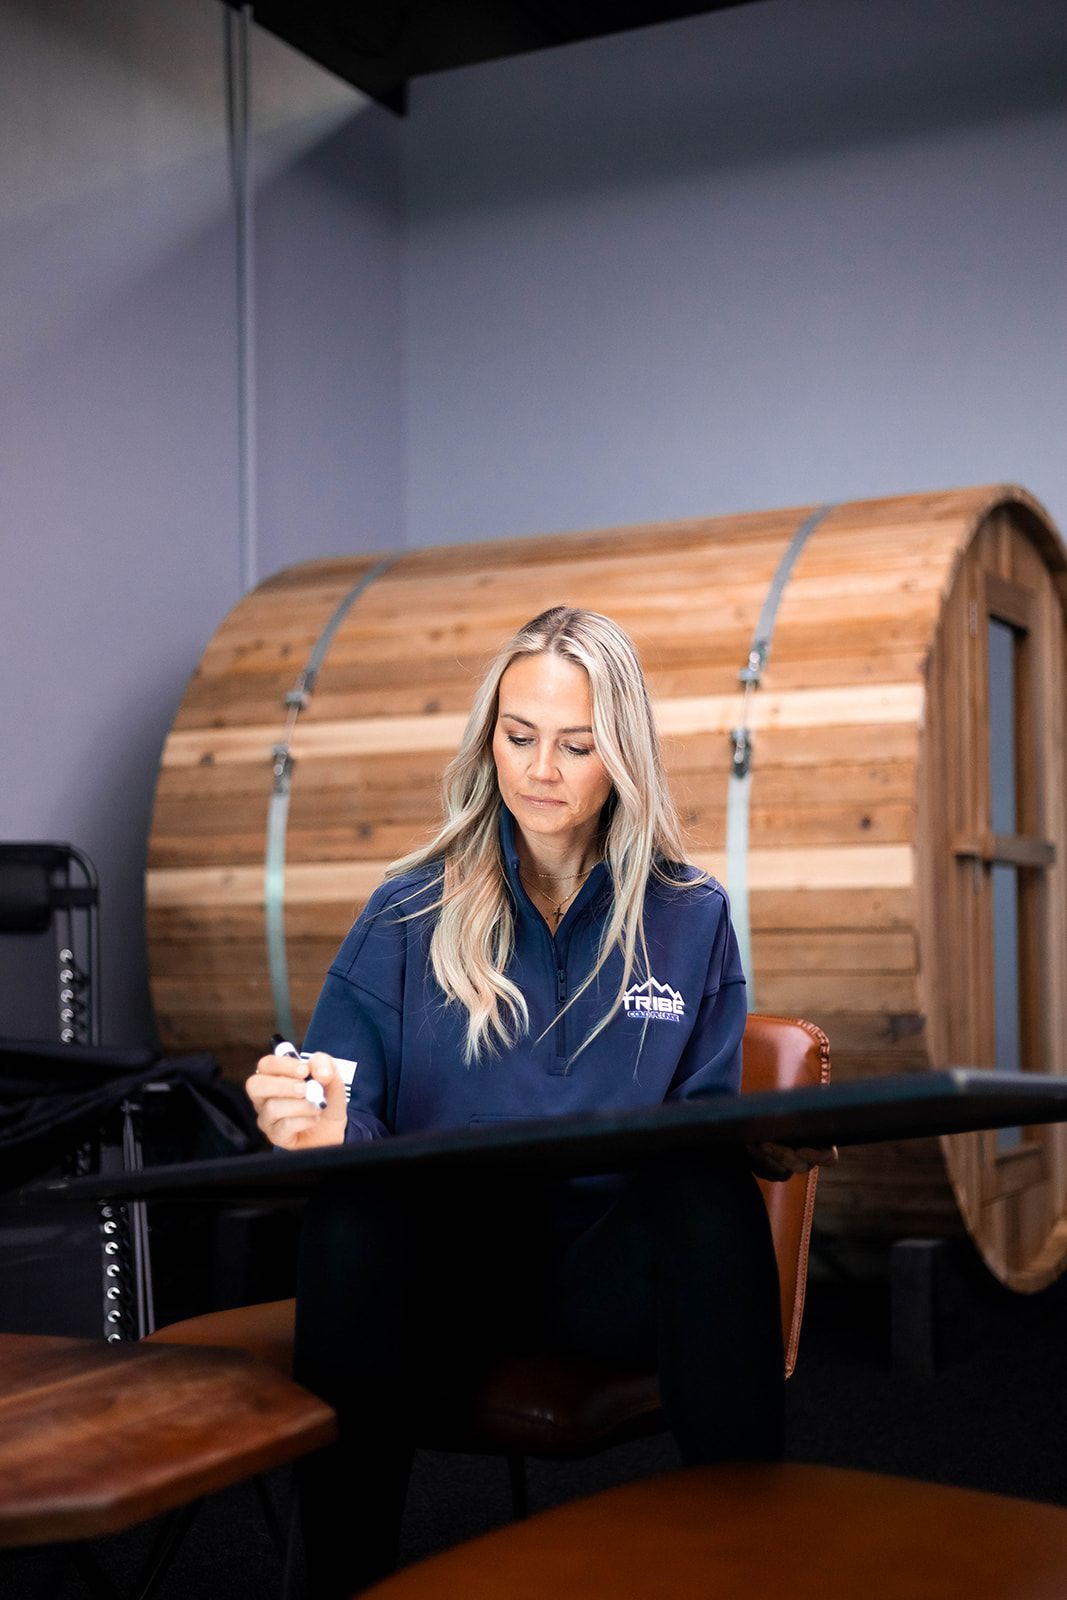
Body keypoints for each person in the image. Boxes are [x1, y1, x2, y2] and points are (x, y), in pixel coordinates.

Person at [246, 606, 828, 1596]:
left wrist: (758, 1145)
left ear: (623, 754)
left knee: (700, 1181)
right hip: (446, 1284)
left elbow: (701, 1120)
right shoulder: (405, 910)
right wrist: (312, 1119)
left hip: (608, 1282)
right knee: (352, 1211)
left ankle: (751, 1564)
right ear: (489, 741)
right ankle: (333, 1583)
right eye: (518, 737)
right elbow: (343, 1103)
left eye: (575, 743)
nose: (540, 770)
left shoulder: (690, 917)